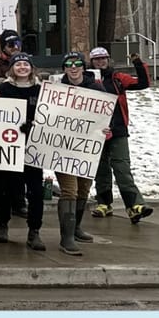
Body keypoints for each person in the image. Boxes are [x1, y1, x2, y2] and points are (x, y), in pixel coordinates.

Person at [89, 47, 154, 223]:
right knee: (101, 169)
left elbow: (142, 83)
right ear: (91, 61)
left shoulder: (117, 78)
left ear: (108, 60)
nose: (100, 62)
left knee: (122, 168)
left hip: (117, 130)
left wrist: (138, 63)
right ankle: (104, 204)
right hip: (95, 130)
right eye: (97, 59)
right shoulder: (87, 79)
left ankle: (134, 205)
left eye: (103, 58)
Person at [0, 52, 45, 251]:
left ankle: (34, 231)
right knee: (5, 189)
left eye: (26, 64)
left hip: (34, 147)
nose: (22, 67)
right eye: (18, 64)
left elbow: (50, 117)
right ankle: (2, 224)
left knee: (35, 191)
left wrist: (33, 125)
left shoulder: (41, 90)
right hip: (8, 146)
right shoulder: (2, 89)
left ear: (31, 68)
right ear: (11, 68)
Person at [57, 51, 109, 255]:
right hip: (62, 147)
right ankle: (66, 238)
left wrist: (106, 129)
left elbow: (106, 115)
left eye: (77, 63)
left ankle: (76, 227)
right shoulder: (57, 90)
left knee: (84, 189)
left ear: (83, 67)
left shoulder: (96, 88)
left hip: (88, 148)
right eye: (68, 64)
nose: (73, 67)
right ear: (64, 68)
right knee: (69, 190)